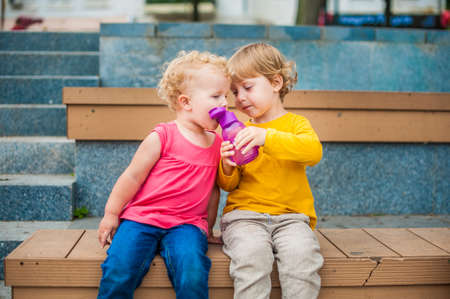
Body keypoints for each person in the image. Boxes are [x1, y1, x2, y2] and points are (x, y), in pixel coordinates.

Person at [96, 50, 230, 299]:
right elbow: (132, 177)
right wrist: (111, 214)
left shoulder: (216, 144)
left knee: (193, 270)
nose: (225, 103)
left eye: (226, 95)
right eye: (216, 96)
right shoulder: (162, 137)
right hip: (142, 218)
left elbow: (213, 190)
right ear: (186, 102)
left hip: (187, 225)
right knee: (120, 267)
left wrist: (208, 229)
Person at [218, 42, 324, 299]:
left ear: (276, 83)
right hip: (244, 217)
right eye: (234, 91)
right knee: (251, 259)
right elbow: (229, 186)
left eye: (248, 87)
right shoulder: (238, 130)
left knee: (302, 260)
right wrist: (227, 166)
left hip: (292, 218)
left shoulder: (296, 124)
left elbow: (312, 152)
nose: (240, 97)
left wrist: (266, 137)